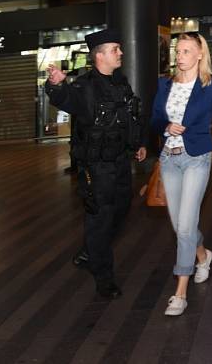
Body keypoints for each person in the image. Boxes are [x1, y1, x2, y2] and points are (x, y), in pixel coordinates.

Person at [45, 29, 147, 299]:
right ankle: (104, 278)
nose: (121, 53)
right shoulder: (84, 86)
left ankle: (91, 249)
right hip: (96, 167)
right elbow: (64, 97)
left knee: (121, 212)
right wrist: (56, 85)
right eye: (116, 49)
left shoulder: (120, 82)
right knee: (100, 219)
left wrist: (138, 144)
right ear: (100, 55)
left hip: (121, 162)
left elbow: (131, 117)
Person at [150, 32, 212, 317]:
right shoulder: (164, 83)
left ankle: (180, 291)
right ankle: (202, 255)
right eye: (178, 51)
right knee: (182, 227)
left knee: (186, 226)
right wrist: (166, 127)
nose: (180, 56)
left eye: (186, 51)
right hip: (169, 159)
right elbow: (154, 119)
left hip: (197, 158)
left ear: (200, 54)